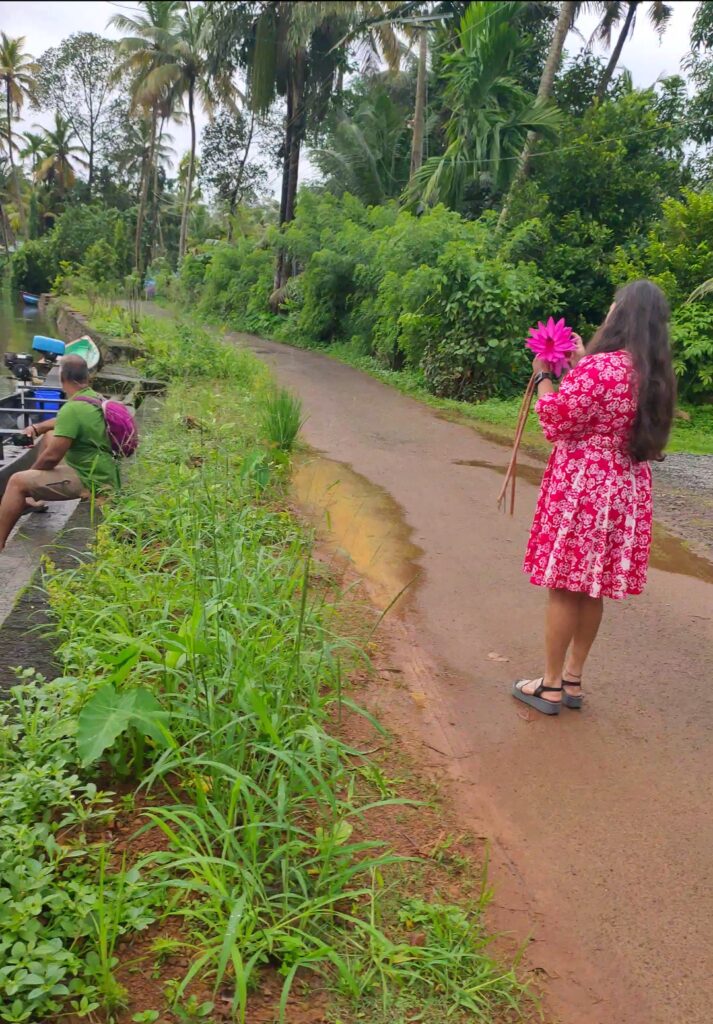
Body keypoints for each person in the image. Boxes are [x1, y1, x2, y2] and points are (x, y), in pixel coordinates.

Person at [513, 279, 676, 715]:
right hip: (625, 489)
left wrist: (545, 377)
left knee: (566, 586)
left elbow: (556, 422)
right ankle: (573, 680)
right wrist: (581, 362)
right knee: (591, 588)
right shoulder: (653, 376)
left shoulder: (600, 369)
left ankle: (547, 686)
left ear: (620, 314)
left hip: (584, 487)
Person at [0, 355, 120, 551]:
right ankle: (34, 502)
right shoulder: (92, 398)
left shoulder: (72, 409)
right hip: (102, 469)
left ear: (63, 376)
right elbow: (62, 423)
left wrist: (32, 476)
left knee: (17, 481)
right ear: (85, 377)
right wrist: (38, 428)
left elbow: (52, 457)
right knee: (50, 436)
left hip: (90, 478)